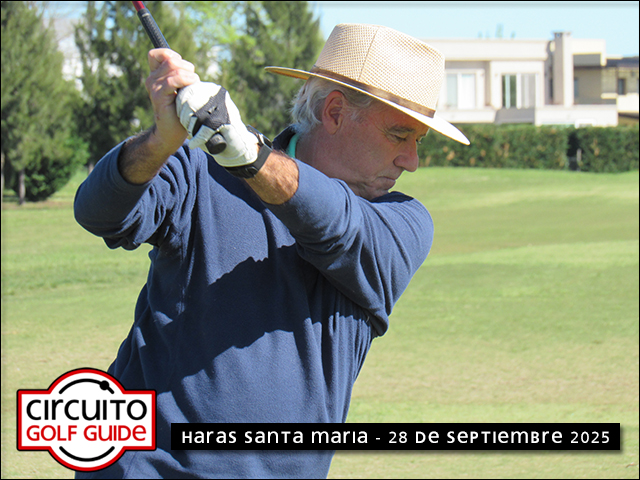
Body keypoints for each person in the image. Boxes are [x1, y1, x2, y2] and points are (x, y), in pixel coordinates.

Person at [74, 23, 469, 479]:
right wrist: (160, 141)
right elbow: (99, 214)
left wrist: (248, 155)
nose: (411, 161)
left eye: (418, 141)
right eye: (399, 135)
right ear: (335, 112)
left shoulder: (403, 222)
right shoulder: (203, 165)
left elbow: (337, 225)